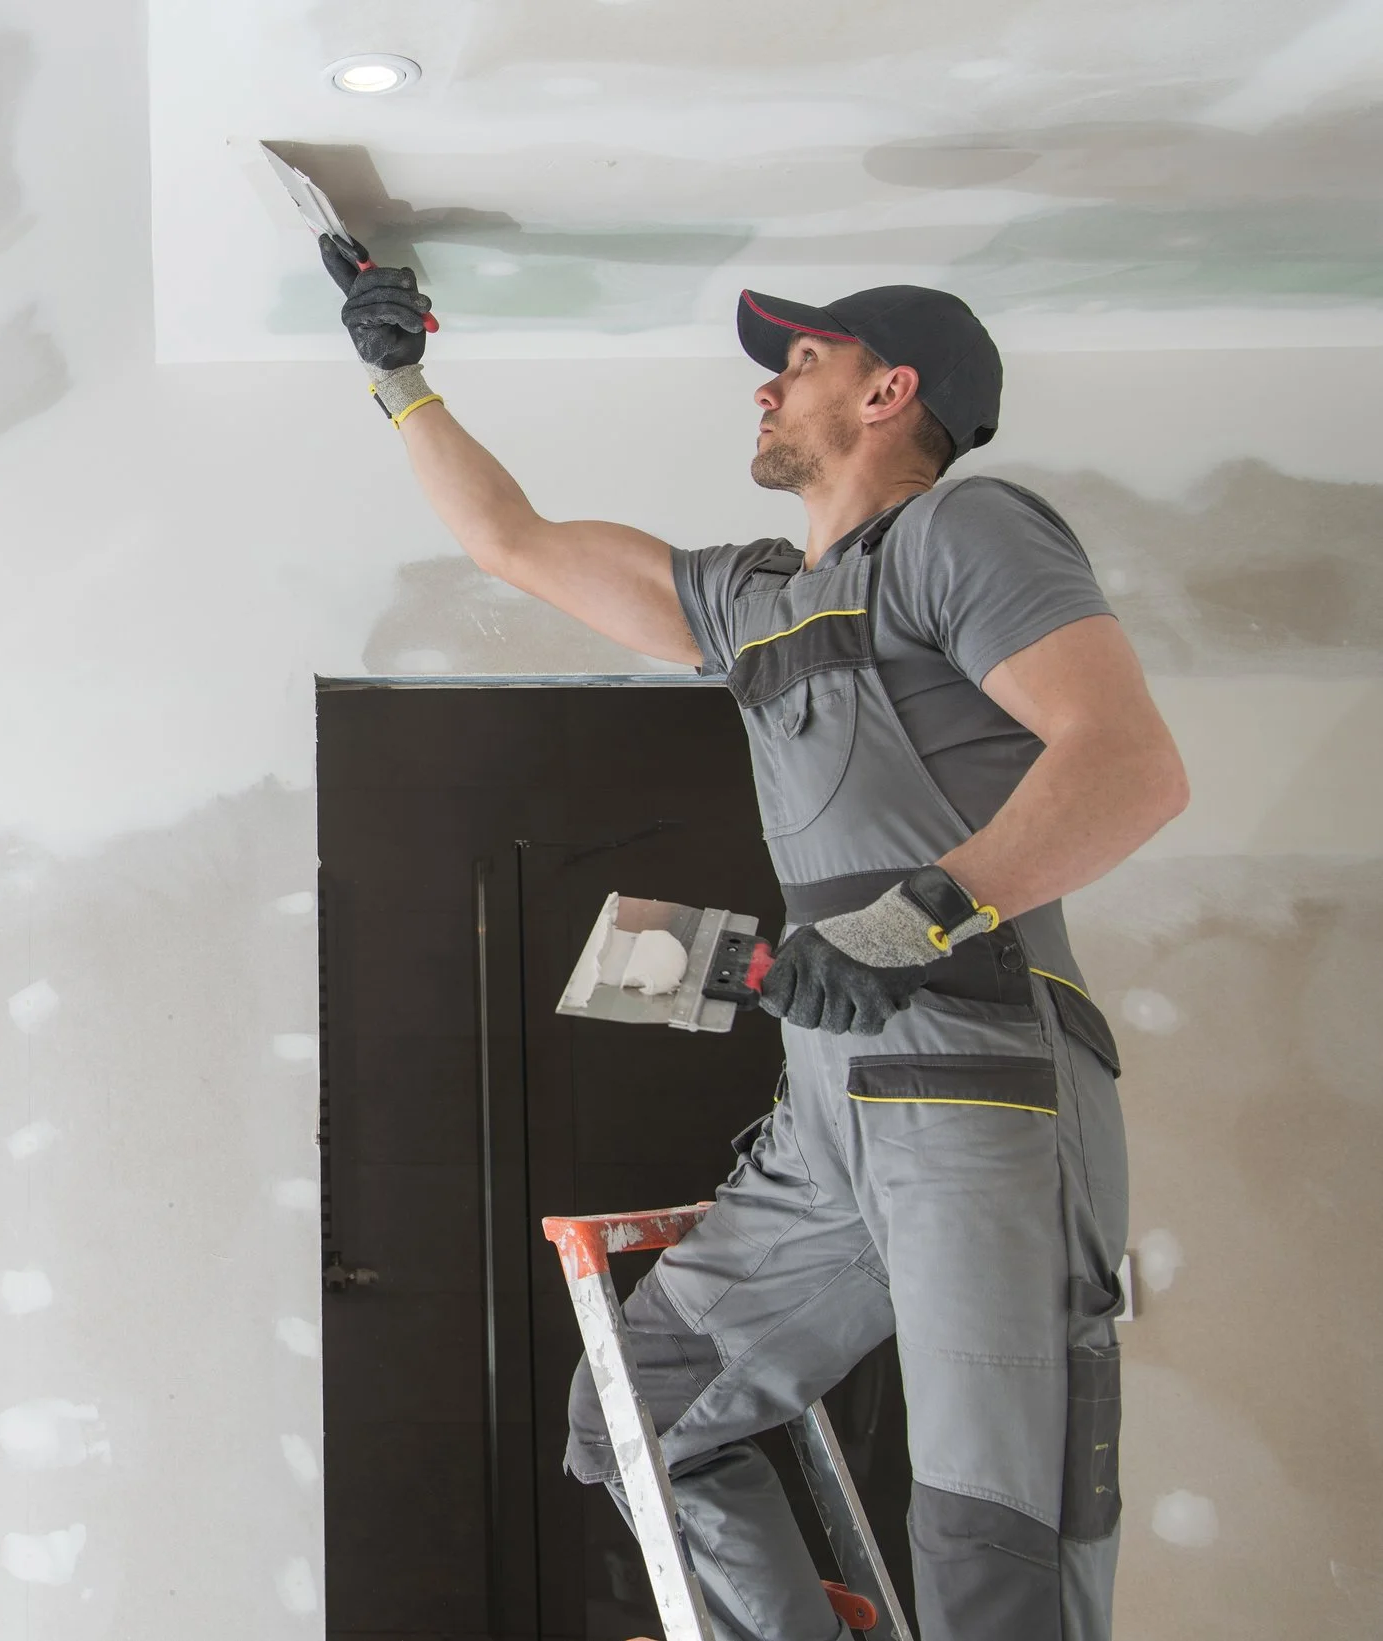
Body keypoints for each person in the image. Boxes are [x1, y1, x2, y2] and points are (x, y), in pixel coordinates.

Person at [325, 240, 1189, 1641]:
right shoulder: (759, 603)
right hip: (833, 1117)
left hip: (979, 1087)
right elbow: (516, 544)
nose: (764, 394)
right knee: (639, 1411)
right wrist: (401, 376)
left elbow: (1130, 767)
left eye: (796, 365)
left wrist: (918, 918)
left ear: (889, 391)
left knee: (994, 1531)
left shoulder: (963, 537)